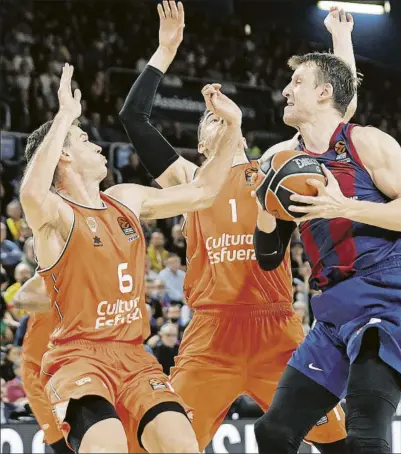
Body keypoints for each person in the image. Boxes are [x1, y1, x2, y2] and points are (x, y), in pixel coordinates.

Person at [119, 3, 356, 452]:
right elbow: (134, 119)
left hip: (277, 330)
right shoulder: (189, 182)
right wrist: (165, 51)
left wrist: (341, 42)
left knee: (340, 441)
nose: (217, 119)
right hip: (212, 336)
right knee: (155, 444)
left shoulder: (274, 168)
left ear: (242, 130)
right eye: (208, 120)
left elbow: (335, 120)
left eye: (223, 116)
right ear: (200, 142)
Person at [19, 57, 242, 453]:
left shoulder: (125, 198)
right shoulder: (56, 216)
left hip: (133, 356)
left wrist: (233, 129)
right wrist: (64, 117)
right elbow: (32, 193)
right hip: (79, 358)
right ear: (64, 158)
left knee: (184, 446)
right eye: (85, 140)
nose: (98, 144)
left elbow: (203, 192)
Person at [252, 19, 401, 454]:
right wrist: (263, 203)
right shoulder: (283, 162)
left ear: (323, 93)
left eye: (296, 81)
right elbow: (267, 257)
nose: (285, 90)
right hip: (332, 311)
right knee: (272, 433)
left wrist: (344, 207)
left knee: (365, 433)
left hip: (387, 297)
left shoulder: (366, 143)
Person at [13, 272, 72, 454]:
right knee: (61, 444)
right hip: (37, 372)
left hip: (66, 371)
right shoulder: (50, 276)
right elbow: (19, 299)